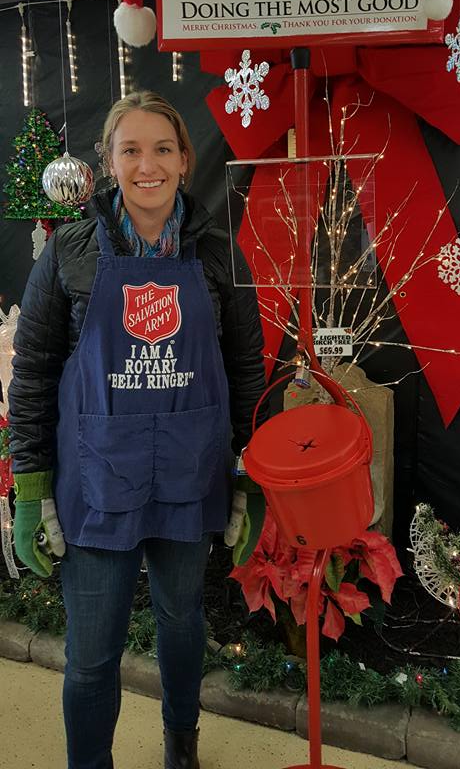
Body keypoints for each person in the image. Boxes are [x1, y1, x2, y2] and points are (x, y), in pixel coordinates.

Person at [8, 91, 267, 769]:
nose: (146, 165)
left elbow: (247, 370)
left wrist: (251, 480)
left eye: (161, 149)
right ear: (109, 162)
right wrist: (30, 489)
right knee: (92, 655)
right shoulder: (68, 253)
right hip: (97, 481)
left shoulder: (220, 256)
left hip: (191, 475)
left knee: (183, 623)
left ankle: (182, 741)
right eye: (130, 150)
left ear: (184, 161)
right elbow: (32, 376)